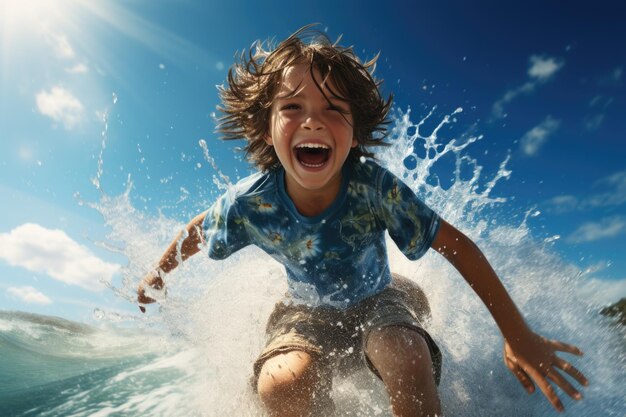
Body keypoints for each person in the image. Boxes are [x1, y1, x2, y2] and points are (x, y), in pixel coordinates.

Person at [137, 25, 588, 417]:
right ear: (265, 127)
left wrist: (518, 335)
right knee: (282, 384)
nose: (314, 120)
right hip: (303, 313)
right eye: (292, 107)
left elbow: (457, 246)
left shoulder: (373, 186)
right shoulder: (251, 201)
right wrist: (158, 274)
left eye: (335, 109)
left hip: (379, 301)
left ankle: (412, 319)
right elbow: (198, 229)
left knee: (407, 356)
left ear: (355, 135)